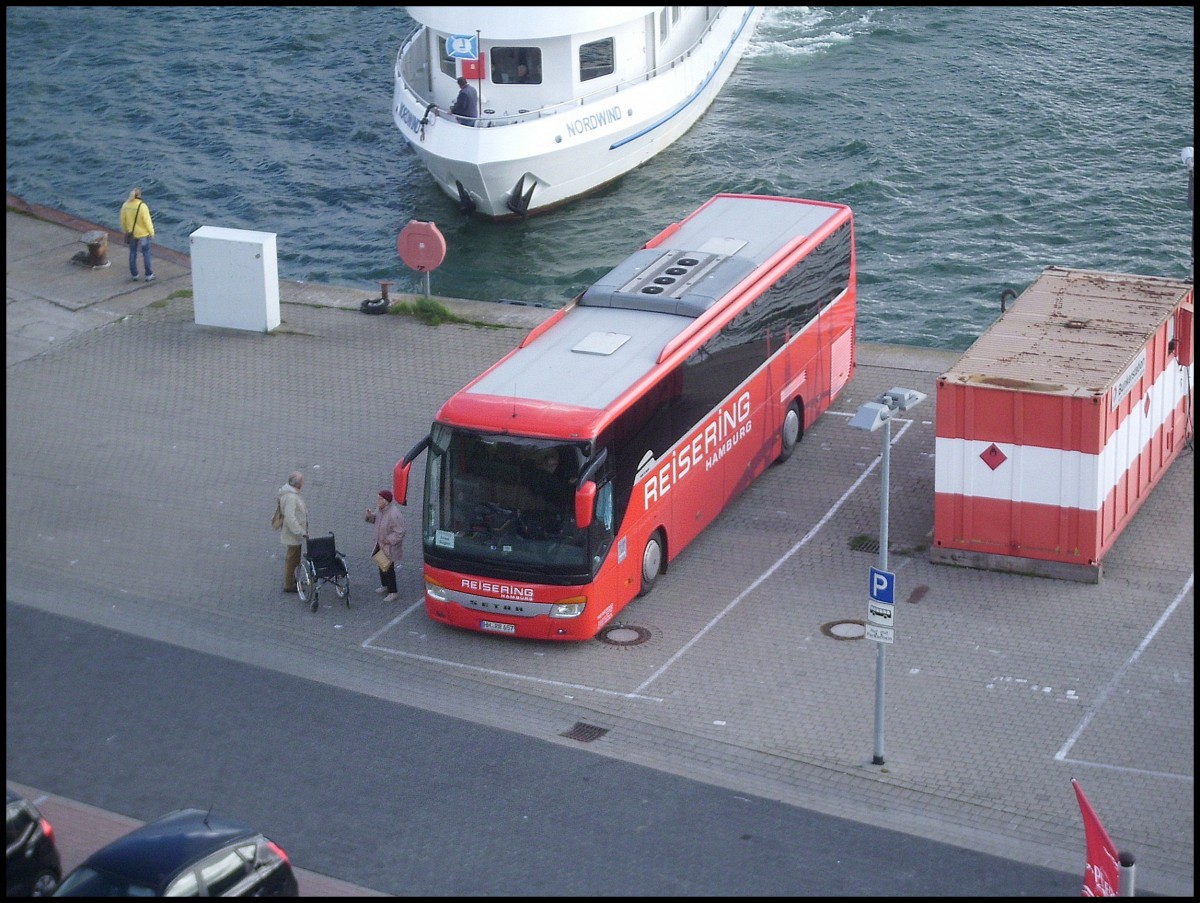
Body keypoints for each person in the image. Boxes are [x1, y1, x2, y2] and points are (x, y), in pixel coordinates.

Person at [366, 489, 407, 602]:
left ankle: (393, 591)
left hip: (389, 546)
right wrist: (370, 516)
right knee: (381, 563)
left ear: (386, 501)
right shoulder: (380, 510)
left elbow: (400, 532)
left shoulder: (394, 514)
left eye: (379, 499)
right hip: (380, 543)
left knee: (388, 568)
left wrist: (388, 540)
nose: (377, 501)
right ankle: (385, 585)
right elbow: (375, 519)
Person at [278, 470, 308, 593]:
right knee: (292, 559)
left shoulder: (290, 494)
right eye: (301, 481)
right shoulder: (291, 497)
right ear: (296, 484)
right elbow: (290, 517)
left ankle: (292, 579)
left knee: (294, 557)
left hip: (294, 533)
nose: (303, 483)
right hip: (293, 534)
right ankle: (289, 583)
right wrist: (301, 531)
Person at [119, 187, 156, 282]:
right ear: (139, 196)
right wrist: (151, 233)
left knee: (132, 253)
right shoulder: (142, 206)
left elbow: (123, 220)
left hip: (132, 233)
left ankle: (134, 274)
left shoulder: (125, 205)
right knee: (146, 253)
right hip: (143, 233)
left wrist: (126, 230)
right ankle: (148, 274)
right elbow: (147, 221)